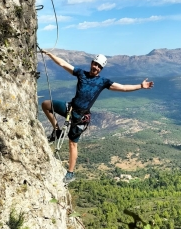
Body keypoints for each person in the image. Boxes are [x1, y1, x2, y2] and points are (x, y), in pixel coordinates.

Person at [41, 51, 154, 185]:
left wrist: (140, 86)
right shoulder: (81, 73)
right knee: (45, 105)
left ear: (101, 69)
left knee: (72, 143)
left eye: (99, 66)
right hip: (70, 108)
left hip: (81, 117)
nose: (96, 68)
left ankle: (70, 173)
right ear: (91, 63)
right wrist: (49, 54)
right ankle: (57, 130)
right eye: (95, 64)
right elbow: (63, 63)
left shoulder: (102, 82)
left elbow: (123, 88)